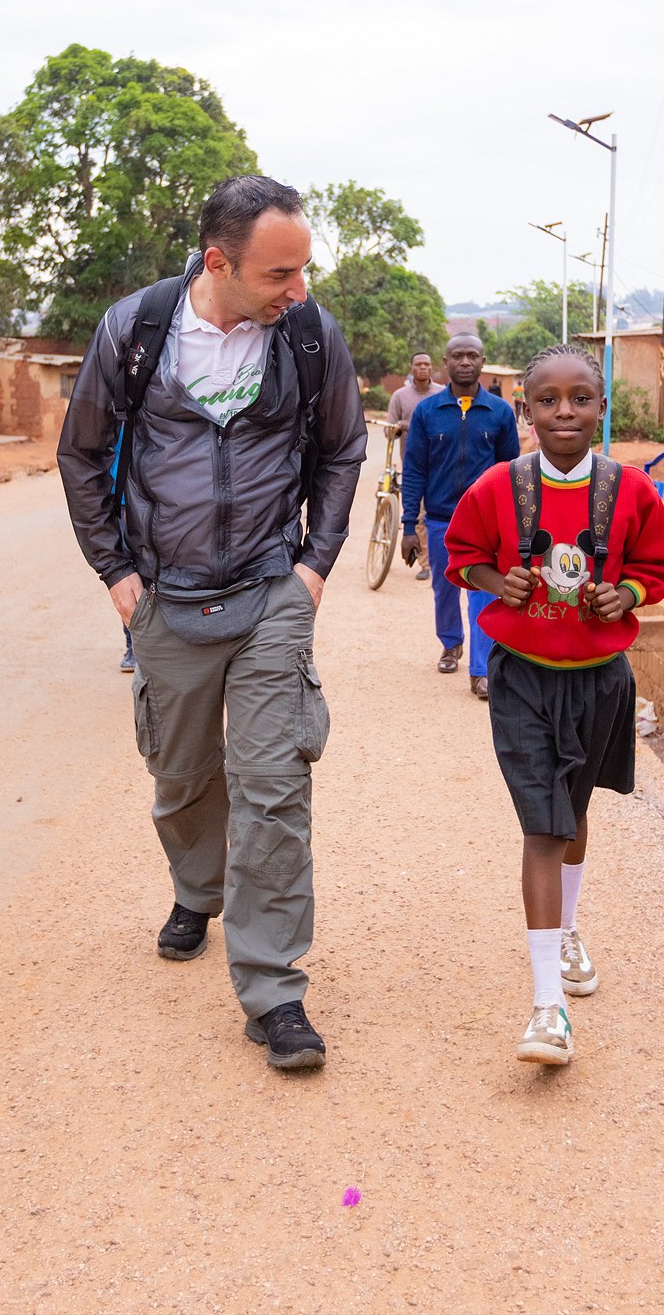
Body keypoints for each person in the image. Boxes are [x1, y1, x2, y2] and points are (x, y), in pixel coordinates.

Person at [58, 175, 367, 1072]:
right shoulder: (137, 329)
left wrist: (314, 566)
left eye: (304, 270)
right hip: (167, 596)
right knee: (183, 775)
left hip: (272, 591)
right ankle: (198, 888)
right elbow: (81, 454)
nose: (298, 291)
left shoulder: (306, 333)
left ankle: (273, 990)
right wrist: (115, 572)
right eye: (280, 274)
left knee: (273, 786)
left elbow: (344, 446)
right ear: (219, 261)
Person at [443, 343, 664, 1065]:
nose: (565, 411)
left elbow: (659, 567)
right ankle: (548, 1009)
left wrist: (627, 593)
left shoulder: (631, 490)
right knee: (543, 827)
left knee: (573, 813)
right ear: (526, 411)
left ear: (601, 408)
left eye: (581, 398)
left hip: (599, 677)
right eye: (547, 400)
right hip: (522, 678)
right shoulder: (498, 487)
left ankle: (568, 925)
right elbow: (463, 554)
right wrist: (496, 580)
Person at [400, 333, 520, 701]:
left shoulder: (499, 412)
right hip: (439, 519)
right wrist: (408, 526)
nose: (465, 362)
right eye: (457, 356)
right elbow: (415, 469)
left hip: (486, 523)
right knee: (445, 588)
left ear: (482, 362)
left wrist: (513, 524)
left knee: (483, 592)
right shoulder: (427, 412)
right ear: (445, 362)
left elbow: (510, 471)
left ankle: (481, 671)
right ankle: (450, 644)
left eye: (472, 355)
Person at [385, 351, 443, 579]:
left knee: (439, 514)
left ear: (432, 368)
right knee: (418, 515)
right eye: (418, 364)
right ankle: (426, 564)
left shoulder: (441, 394)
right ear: (411, 368)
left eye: (426, 364)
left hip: (441, 465)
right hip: (414, 465)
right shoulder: (400, 396)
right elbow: (389, 431)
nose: (423, 368)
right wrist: (400, 426)